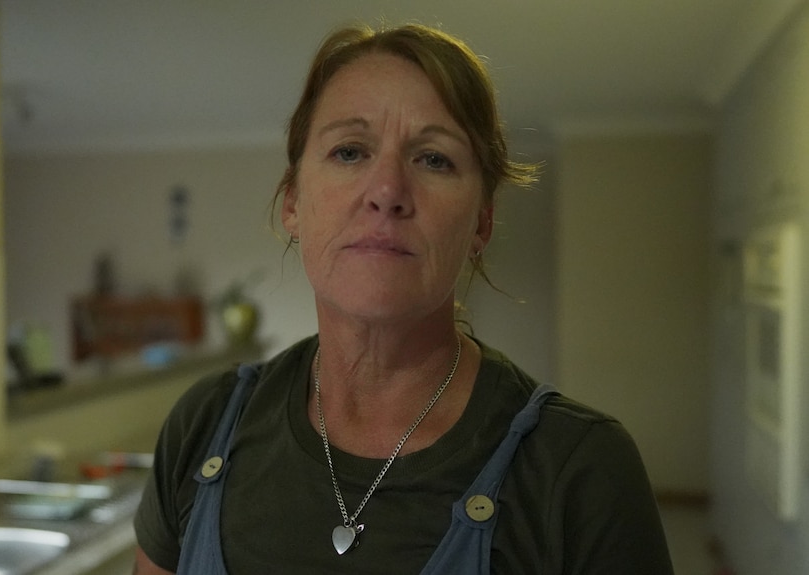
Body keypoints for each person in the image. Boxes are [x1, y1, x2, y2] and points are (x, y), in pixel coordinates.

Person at [133, 22, 674, 575]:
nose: (388, 191)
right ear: (293, 201)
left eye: (434, 159)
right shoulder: (204, 426)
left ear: (482, 222)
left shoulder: (580, 468)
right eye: (349, 151)